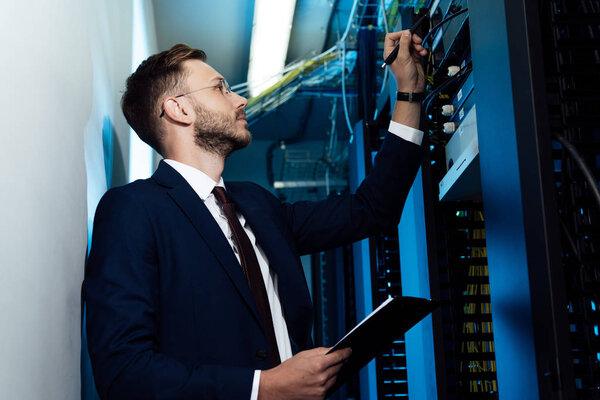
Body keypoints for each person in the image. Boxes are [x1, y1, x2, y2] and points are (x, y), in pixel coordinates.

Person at [83, 29, 428, 400]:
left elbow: (371, 210)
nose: (241, 99)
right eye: (221, 88)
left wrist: (408, 91)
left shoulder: (257, 204)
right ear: (178, 108)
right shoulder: (133, 210)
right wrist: (265, 387)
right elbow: (123, 371)